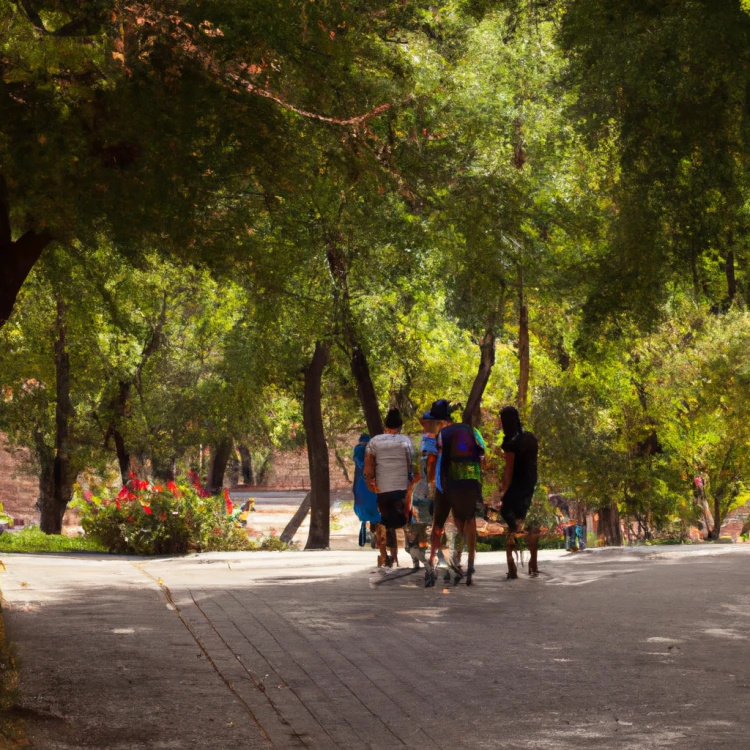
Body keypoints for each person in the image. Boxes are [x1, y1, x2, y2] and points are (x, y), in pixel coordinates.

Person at [427, 399, 485, 587]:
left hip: (448, 483)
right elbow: (483, 456)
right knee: (467, 521)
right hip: (471, 482)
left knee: (438, 523)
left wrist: (440, 485)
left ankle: (432, 564)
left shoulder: (442, 434)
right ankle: (467, 565)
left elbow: (439, 462)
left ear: (442, 421)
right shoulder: (472, 431)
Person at [364, 408, 419, 568]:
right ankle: (414, 552)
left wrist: (371, 484)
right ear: (400, 426)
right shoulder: (406, 441)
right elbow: (412, 465)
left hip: (382, 489)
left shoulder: (374, 441)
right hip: (401, 488)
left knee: (387, 521)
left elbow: (368, 467)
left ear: (385, 425)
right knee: (405, 519)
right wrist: (410, 485)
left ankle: (391, 556)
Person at [498, 405, 539, 579]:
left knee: (506, 514)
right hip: (531, 484)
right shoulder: (530, 438)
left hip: (517, 486)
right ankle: (533, 563)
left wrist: (502, 492)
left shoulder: (511, 444)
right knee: (531, 523)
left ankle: (512, 565)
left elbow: (508, 471)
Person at [352, 434, 380, 555]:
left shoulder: (358, 449)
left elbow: (358, 461)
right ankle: (377, 534)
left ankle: (369, 531)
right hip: (374, 480)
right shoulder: (374, 449)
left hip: (361, 480)